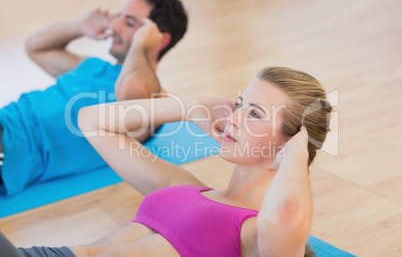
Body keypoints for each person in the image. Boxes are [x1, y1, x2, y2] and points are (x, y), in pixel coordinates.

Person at [2, 62, 332, 256]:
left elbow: (286, 218)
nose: (234, 117)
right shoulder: (185, 186)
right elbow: (91, 121)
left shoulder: (256, 234)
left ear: (290, 141)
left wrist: (298, 152)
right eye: (239, 104)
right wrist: (191, 106)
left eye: (255, 114)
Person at [0, 0, 188, 196]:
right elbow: (36, 48)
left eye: (130, 23)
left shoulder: (155, 97)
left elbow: (131, 90)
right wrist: (79, 26)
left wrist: (141, 45)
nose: (115, 26)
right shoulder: (94, 66)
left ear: (159, 39)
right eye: (119, 17)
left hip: (9, 152)